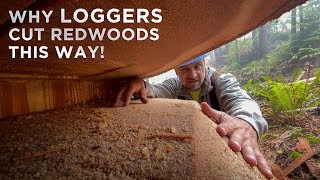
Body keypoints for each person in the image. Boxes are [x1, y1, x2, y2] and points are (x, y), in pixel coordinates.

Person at [112, 53, 273, 179]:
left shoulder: (221, 81)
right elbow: (155, 90)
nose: (192, 74)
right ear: (176, 71)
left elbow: (241, 100)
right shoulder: (174, 86)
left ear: (205, 64)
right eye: (185, 69)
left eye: (197, 66)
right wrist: (142, 85)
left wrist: (246, 122)